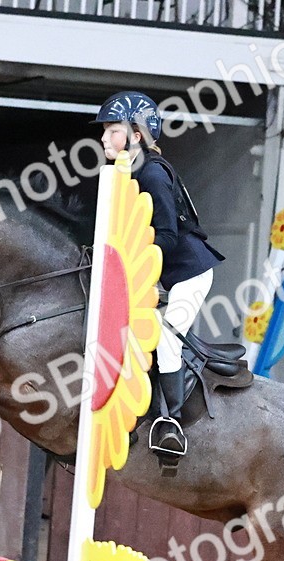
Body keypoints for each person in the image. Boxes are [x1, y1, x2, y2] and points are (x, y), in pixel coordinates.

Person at [95, 90, 225, 463]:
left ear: (136, 135)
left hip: (189, 271)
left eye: (112, 130)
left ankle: (172, 423)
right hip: (167, 269)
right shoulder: (129, 171)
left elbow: (165, 236)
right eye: (104, 130)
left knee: (166, 338)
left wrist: (137, 276)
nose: (104, 138)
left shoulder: (150, 172)